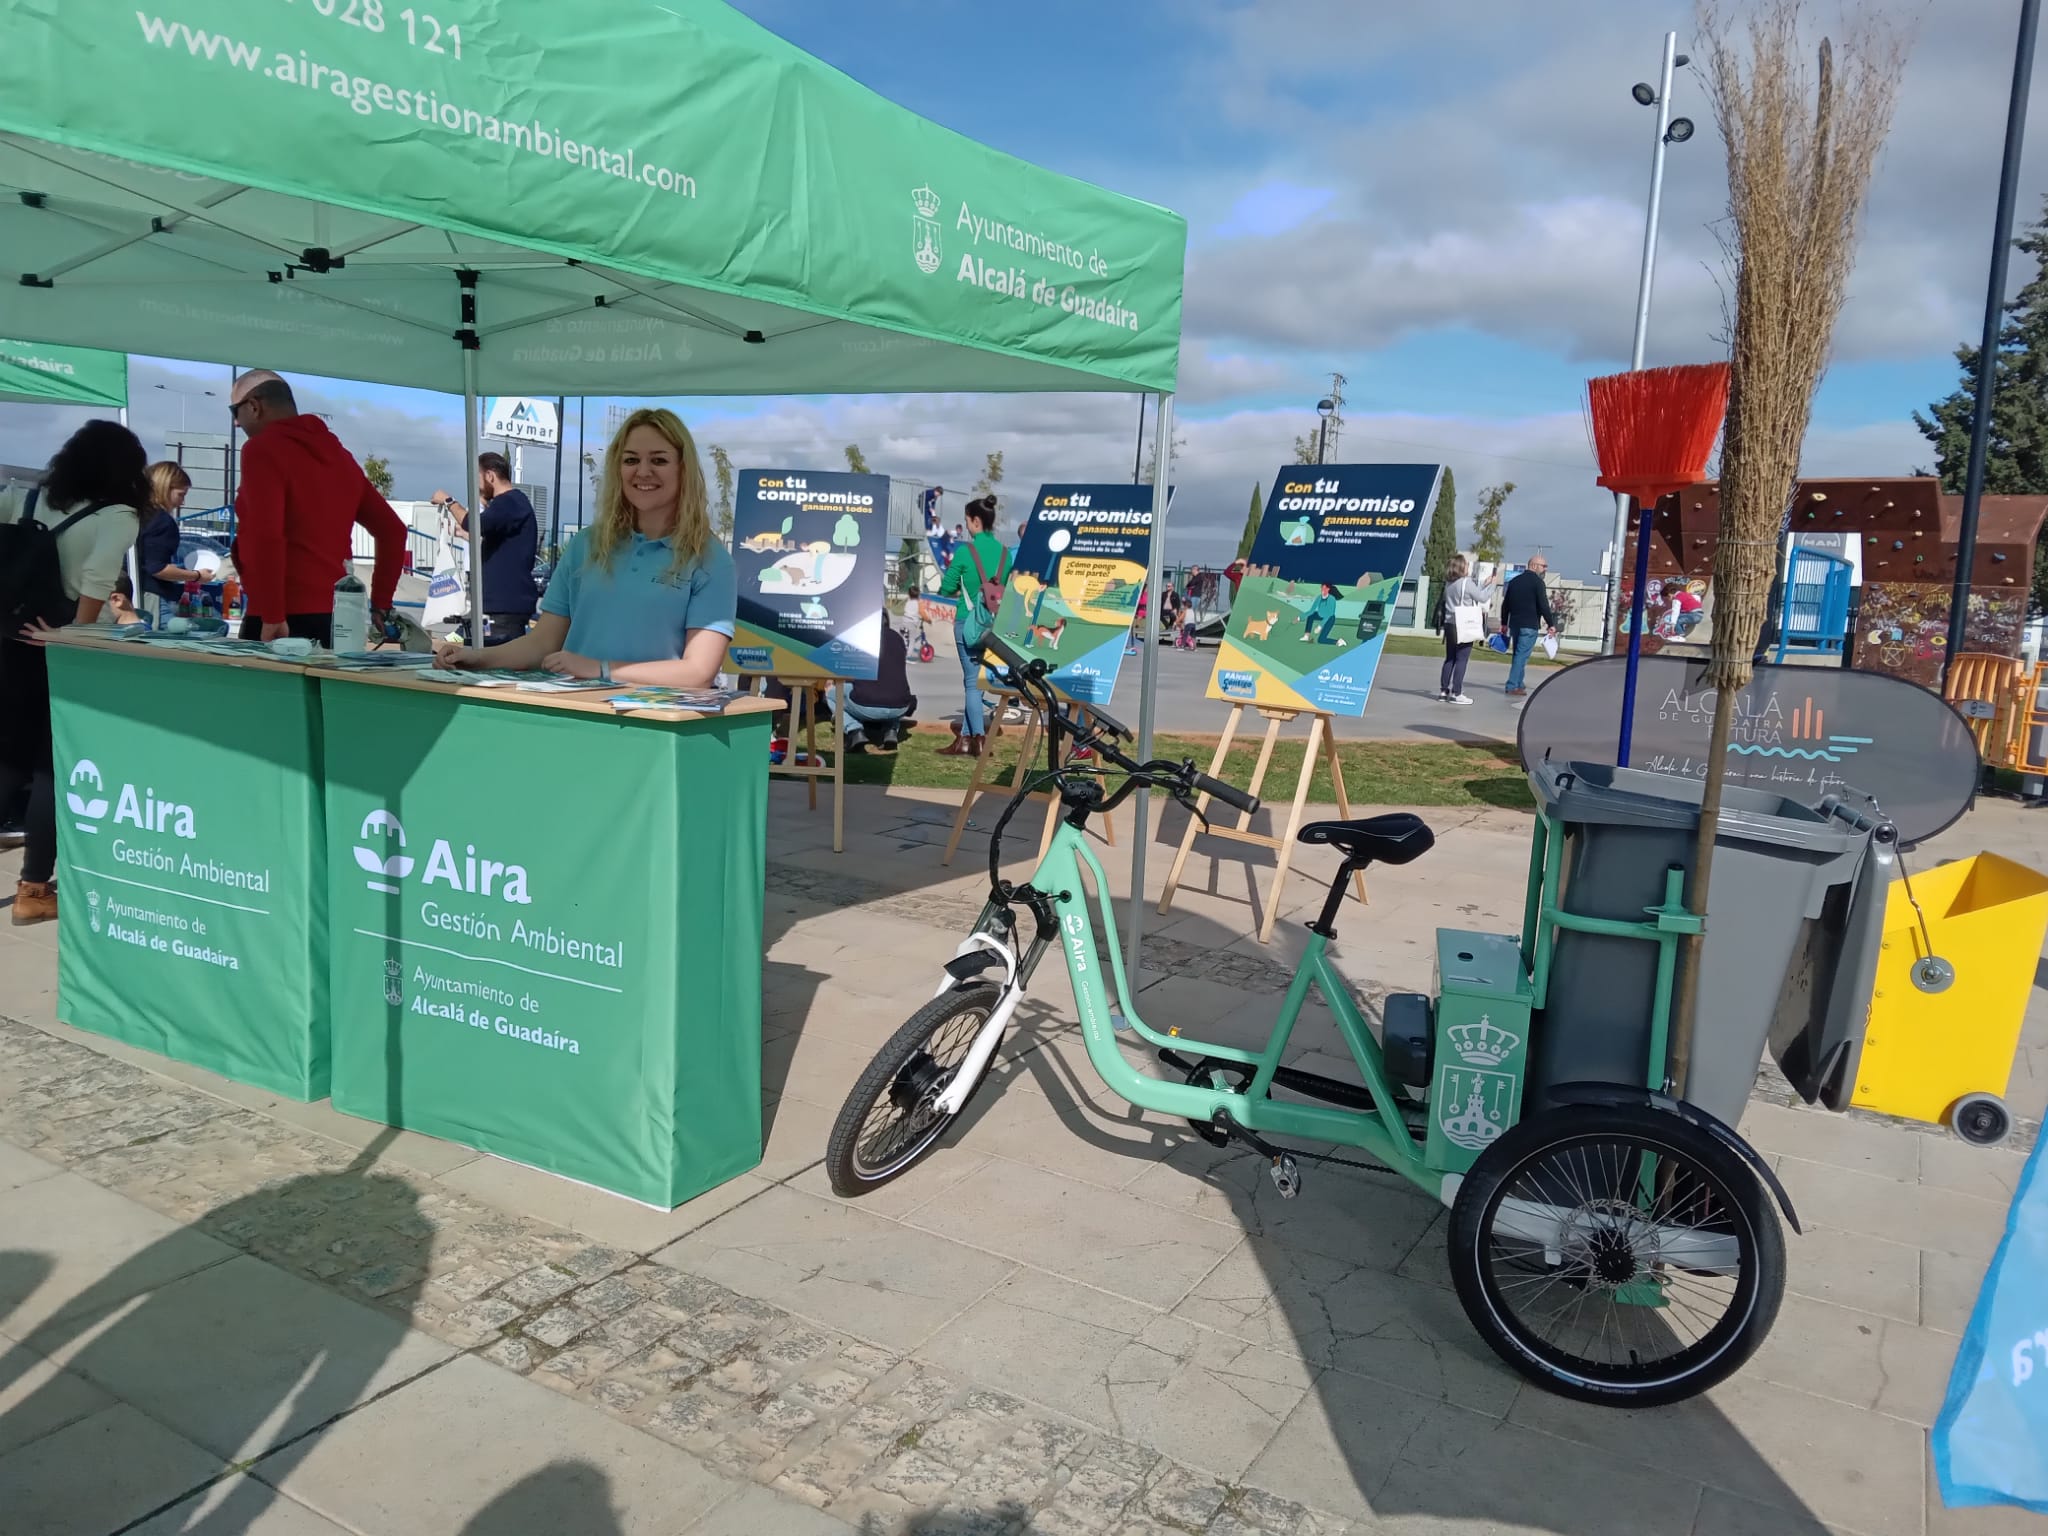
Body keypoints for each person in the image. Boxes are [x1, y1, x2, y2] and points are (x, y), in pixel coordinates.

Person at [433, 407, 734, 684]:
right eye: (631, 460)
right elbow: (542, 643)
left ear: (683, 468)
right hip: (577, 720)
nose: (643, 471)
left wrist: (601, 669)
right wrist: (478, 657)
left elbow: (698, 672)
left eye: (659, 460)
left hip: (654, 730)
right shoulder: (586, 545)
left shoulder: (710, 559)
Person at [0, 420, 149, 925]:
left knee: (9, 761)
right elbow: (96, 583)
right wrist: (72, 638)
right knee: (49, 768)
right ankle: (33, 889)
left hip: (9, 638)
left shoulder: (28, 495)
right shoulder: (117, 514)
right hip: (58, 643)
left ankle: (32, 888)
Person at [228, 369, 407, 645]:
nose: (237, 424)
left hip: (279, 619)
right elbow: (393, 531)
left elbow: (267, 535)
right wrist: (381, 603)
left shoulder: (261, 450)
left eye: (234, 411)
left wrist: (273, 615)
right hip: (339, 619)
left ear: (254, 406)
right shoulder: (341, 457)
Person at [433, 453, 538, 644]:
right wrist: (464, 534)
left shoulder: (510, 502)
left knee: (496, 665)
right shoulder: (509, 505)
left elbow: (474, 523)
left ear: (490, 476)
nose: (477, 486)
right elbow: (497, 541)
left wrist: (449, 501)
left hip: (504, 608)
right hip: (499, 606)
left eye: (478, 479)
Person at [936, 495, 1008, 757]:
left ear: (976, 521)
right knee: (975, 682)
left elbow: (946, 587)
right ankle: (964, 740)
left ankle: (978, 739)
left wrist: (956, 585)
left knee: (971, 683)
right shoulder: (1004, 554)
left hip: (968, 622)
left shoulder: (966, 551)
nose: (966, 526)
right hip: (993, 626)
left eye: (967, 521)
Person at [134, 462, 206, 616]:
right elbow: (157, 568)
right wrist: (197, 576)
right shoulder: (162, 521)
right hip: (152, 596)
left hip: (128, 592)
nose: (183, 502)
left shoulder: (135, 514)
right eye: (181, 494)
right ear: (165, 488)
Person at [833, 622, 917, 752]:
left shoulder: (859, 636)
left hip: (866, 704)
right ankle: (891, 731)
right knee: (891, 693)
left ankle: (854, 731)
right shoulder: (897, 638)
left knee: (832, 695)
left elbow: (846, 670)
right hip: (900, 706)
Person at [1436, 553, 1496, 705]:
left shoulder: (1449, 584)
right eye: (1467, 565)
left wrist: (1484, 584)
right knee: (1462, 658)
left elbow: (1467, 594)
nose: (1469, 567)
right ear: (1462, 567)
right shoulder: (1466, 582)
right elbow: (1481, 598)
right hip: (1464, 624)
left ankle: (1444, 691)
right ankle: (1457, 693)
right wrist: (1493, 585)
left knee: (1450, 657)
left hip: (1450, 623)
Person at [1500, 553, 1558, 696]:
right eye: (1543, 566)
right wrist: (1551, 624)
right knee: (1522, 655)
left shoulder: (1514, 582)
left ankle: (1519, 683)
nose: (1545, 569)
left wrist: (1504, 622)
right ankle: (1512, 685)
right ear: (1533, 565)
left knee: (1519, 655)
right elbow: (1544, 605)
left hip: (1515, 624)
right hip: (1529, 625)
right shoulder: (1538, 583)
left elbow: (1505, 604)